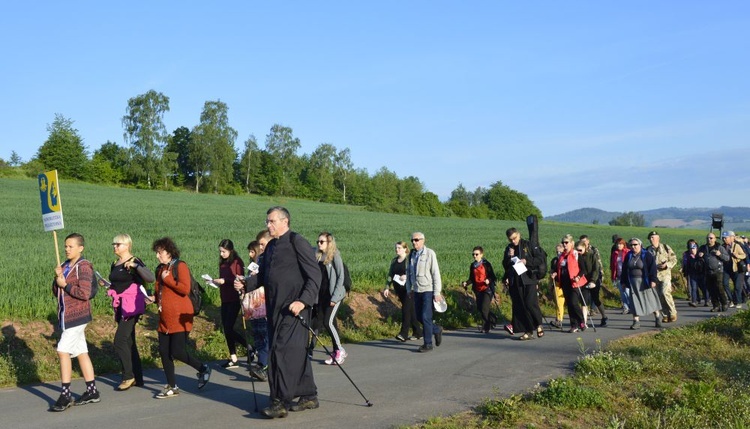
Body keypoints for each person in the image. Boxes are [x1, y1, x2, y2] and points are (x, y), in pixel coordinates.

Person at [244, 207, 322, 418]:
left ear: (285, 221)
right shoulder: (270, 248)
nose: (268, 225)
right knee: (295, 352)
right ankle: (309, 395)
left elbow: (314, 275)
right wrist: (244, 284)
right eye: (267, 221)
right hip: (275, 309)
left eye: (271, 221)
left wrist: (303, 301)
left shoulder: (297, 241)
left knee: (280, 352)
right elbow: (262, 278)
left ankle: (279, 401)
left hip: (294, 309)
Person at [151, 237, 211, 399]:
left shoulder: (180, 266)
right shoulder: (160, 269)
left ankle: (203, 368)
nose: (157, 256)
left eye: (160, 252)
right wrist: (152, 298)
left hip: (180, 316)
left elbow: (184, 289)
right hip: (165, 318)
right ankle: (172, 385)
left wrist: (168, 279)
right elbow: (160, 292)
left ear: (169, 252)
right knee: (164, 352)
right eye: (156, 253)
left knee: (177, 351)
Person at [50, 233, 101, 412]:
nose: (66, 249)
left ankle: (65, 395)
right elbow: (56, 291)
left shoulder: (84, 266)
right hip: (66, 315)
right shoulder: (64, 266)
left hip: (78, 316)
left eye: (71, 246)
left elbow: (85, 293)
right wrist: (57, 280)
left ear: (81, 248)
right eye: (65, 246)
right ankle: (92, 391)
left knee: (62, 351)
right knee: (81, 351)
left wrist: (65, 285)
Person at [108, 234, 154, 391]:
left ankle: (128, 376)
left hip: (132, 306)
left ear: (127, 245)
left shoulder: (135, 261)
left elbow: (150, 278)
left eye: (118, 244)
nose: (115, 246)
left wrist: (136, 267)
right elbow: (118, 282)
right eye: (114, 244)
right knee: (129, 342)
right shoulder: (115, 263)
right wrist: (108, 285)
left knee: (120, 340)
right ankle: (138, 377)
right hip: (120, 305)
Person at [308, 232, 348, 365]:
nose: (319, 244)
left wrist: (335, 297)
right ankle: (336, 351)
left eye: (322, 242)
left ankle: (340, 350)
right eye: (318, 241)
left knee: (328, 322)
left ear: (329, 243)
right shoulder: (317, 255)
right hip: (322, 296)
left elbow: (341, 277)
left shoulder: (335, 255)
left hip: (334, 295)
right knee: (330, 324)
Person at [209, 239, 248, 369]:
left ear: (230, 250)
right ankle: (233, 357)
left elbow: (239, 279)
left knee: (229, 327)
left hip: (234, 298)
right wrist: (215, 282)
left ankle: (249, 347)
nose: (221, 254)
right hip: (224, 298)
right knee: (226, 328)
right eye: (220, 251)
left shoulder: (237, 262)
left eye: (223, 251)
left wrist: (225, 280)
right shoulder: (223, 263)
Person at [502, 228, 545, 340]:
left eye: (515, 238)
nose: (513, 241)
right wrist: (509, 257)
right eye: (511, 239)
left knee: (530, 303)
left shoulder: (528, 244)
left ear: (519, 235)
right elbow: (505, 265)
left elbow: (540, 259)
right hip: (516, 281)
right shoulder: (509, 248)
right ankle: (528, 331)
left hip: (529, 278)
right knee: (521, 306)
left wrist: (527, 261)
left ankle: (539, 324)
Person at [406, 232, 444, 352]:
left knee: (426, 316)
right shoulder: (411, 255)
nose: (414, 242)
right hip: (417, 290)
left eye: (416, 240)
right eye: (412, 240)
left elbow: (435, 273)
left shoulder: (430, 254)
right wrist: (409, 289)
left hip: (428, 289)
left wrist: (437, 292)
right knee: (418, 316)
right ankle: (436, 330)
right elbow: (408, 274)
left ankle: (428, 344)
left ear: (423, 240)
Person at [383, 241, 423, 341]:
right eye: (396, 248)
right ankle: (418, 332)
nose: (397, 250)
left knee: (405, 310)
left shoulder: (409, 260)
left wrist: (407, 276)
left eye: (399, 248)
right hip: (399, 290)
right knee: (411, 311)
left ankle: (403, 334)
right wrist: (387, 287)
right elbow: (390, 275)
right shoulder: (394, 261)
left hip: (409, 290)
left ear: (405, 249)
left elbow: (415, 272)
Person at [621, 237, 663, 329]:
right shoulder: (629, 255)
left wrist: (653, 280)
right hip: (633, 282)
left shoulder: (646, 255)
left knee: (650, 300)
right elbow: (624, 269)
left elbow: (653, 268)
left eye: (635, 245)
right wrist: (623, 282)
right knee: (634, 301)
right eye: (631, 245)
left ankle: (657, 317)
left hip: (645, 281)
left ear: (640, 245)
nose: (633, 246)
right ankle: (636, 321)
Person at [556, 234, 588, 333]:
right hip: (565, 283)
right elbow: (559, 268)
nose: (564, 244)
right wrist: (555, 274)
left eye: (566, 242)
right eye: (563, 242)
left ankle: (581, 321)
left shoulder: (576, 254)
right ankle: (574, 325)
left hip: (574, 282)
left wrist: (578, 276)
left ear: (571, 243)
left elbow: (583, 269)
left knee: (574, 303)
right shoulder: (562, 256)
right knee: (569, 305)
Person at [461, 246, 497, 334]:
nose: (474, 256)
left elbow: (493, 276)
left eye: (476, 254)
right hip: (478, 289)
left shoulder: (486, 264)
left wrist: (489, 280)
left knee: (484, 308)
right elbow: (472, 278)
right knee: (480, 308)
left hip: (487, 289)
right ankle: (493, 318)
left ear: (481, 254)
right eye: (473, 254)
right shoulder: (473, 265)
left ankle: (486, 327)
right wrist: (466, 283)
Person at [646, 231, 678, 323]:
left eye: (653, 237)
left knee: (665, 293)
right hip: (654, 276)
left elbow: (674, 259)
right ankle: (665, 315)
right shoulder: (648, 250)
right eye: (650, 238)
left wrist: (667, 265)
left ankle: (672, 312)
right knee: (659, 296)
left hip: (665, 275)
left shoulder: (665, 247)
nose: (651, 239)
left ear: (658, 238)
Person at [576, 240, 606, 327]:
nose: (578, 252)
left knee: (595, 299)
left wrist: (593, 281)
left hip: (593, 280)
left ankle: (604, 316)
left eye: (580, 250)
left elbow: (595, 269)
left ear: (585, 248)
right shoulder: (576, 256)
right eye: (577, 250)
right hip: (583, 281)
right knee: (584, 301)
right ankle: (584, 322)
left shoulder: (591, 255)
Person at [699, 233, 730, 312]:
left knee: (719, 288)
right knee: (711, 289)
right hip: (707, 271)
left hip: (718, 271)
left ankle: (724, 303)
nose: (709, 239)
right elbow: (697, 258)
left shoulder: (719, 247)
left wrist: (720, 255)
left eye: (711, 238)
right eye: (708, 238)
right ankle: (716, 305)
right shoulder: (703, 248)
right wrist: (699, 255)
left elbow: (727, 258)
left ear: (715, 239)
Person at [721, 231, 747, 309]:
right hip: (726, 268)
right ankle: (731, 299)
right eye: (723, 238)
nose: (724, 239)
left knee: (737, 286)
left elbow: (744, 255)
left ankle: (738, 302)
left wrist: (737, 255)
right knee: (725, 284)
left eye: (726, 238)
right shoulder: (722, 246)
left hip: (736, 268)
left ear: (730, 238)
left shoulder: (736, 246)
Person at [682, 239, 707, 307]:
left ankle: (707, 300)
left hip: (700, 273)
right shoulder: (687, 254)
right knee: (693, 287)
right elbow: (685, 263)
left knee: (703, 287)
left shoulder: (700, 254)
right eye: (691, 248)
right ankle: (694, 301)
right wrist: (684, 270)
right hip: (692, 273)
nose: (692, 249)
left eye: (694, 247)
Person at [548, 243, 566, 329]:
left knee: (560, 302)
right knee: (558, 302)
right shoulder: (554, 260)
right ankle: (558, 319)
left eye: (560, 252)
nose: (558, 253)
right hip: (557, 283)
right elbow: (552, 270)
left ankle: (559, 320)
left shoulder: (565, 259)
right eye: (557, 252)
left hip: (564, 282)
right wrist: (551, 276)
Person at [610, 237, 631, 314]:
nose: (619, 245)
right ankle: (626, 308)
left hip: (627, 275)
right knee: (622, 292)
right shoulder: (615, 253)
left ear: (623, 244)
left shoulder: (628, 252)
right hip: (619, 275)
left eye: (620, 244)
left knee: (627, 291)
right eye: (617, 244)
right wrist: (613, 276)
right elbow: (613, 265)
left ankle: (631, 306)